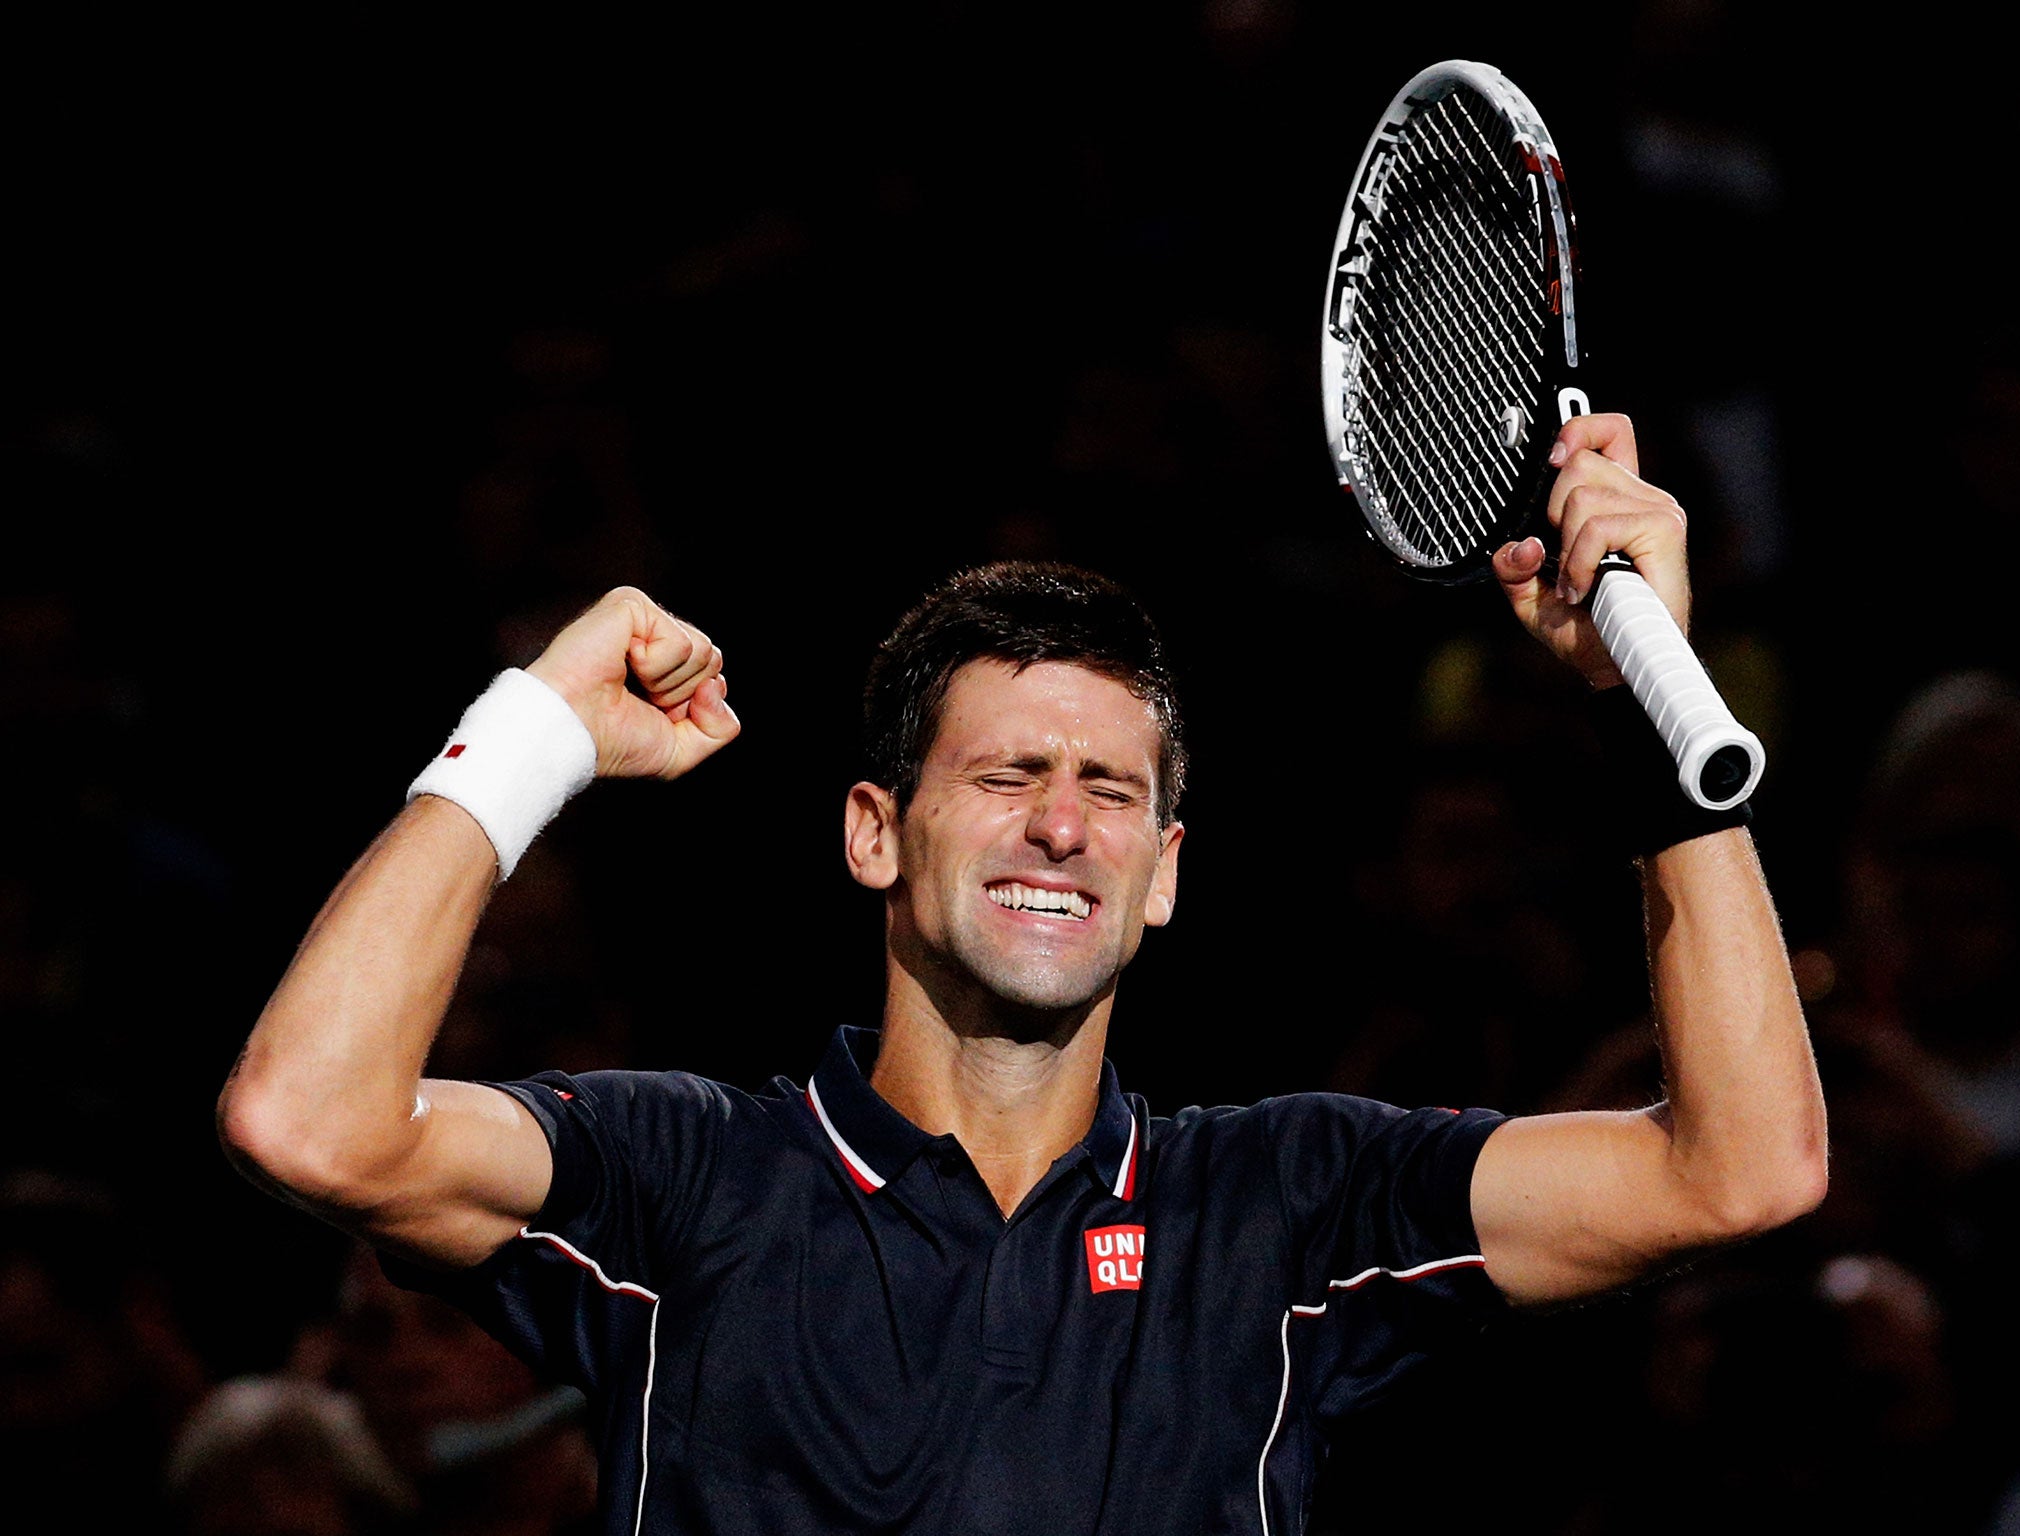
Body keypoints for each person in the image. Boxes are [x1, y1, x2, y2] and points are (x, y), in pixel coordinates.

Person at [220, 414, 1828, 1535]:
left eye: (1113, 792)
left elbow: (1742, 1170)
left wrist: (1644, 703)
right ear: (874, 833)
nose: (1062, 825)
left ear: (1166, 876)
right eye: (1003, 778)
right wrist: (534, 740)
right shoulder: (685, 1182)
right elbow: (311, 1121)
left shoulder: (1287, 1210)